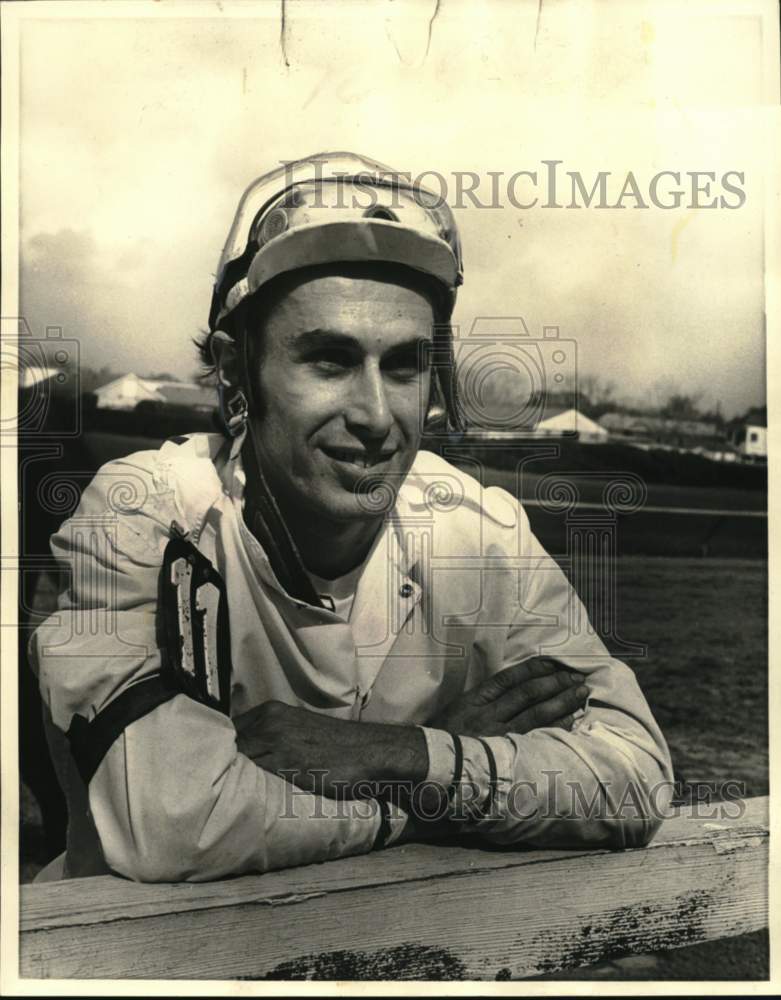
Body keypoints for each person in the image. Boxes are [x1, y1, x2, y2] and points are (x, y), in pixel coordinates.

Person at [31, 152, 672, 882]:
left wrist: (400, 754)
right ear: (236, 369)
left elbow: (634, 774)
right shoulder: (145, 513)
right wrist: (428, 779)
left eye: (402, 366)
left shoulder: (481, 531)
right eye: (329, 361)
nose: (375, 415)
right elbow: (178, 824)